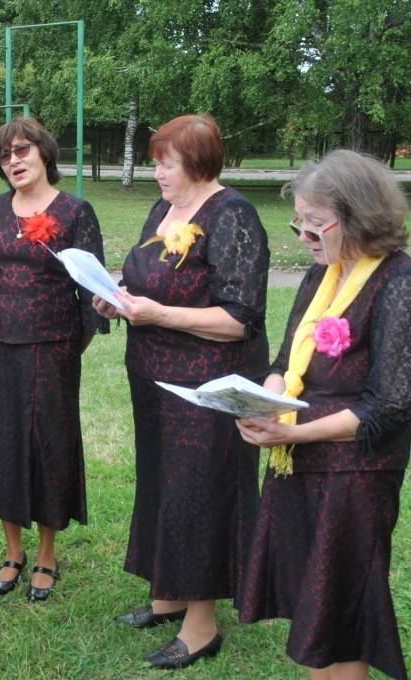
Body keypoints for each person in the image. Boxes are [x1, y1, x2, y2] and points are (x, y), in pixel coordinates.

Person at [92, 114, 269, 669]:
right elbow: (148, 279)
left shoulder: (233, 215)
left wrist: (158, 313)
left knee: (200, 493)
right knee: (163, 484)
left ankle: (202, 625)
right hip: (153, 377)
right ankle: (167, 596)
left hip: (207, 384)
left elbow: (241, 317)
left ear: (195, 162)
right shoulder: (164, 209)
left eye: (165, 161)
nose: (157, 171)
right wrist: (117, 297)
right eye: (155, 160)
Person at [236, 150, 411, 680]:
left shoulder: (398, 281)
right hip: (300, 464)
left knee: (341, 610)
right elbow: (284, 359)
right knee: (317, 608)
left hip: (355, 476)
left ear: (357, 219)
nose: (304, 237)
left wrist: (297, 430)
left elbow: (391, 404)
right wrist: (266, 399)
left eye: (316, 225)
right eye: (300, 223)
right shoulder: (321, 276)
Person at [0, 117, 108, 602]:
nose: (14, 161)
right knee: (1, 441)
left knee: (47, 445)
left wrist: (66, 348)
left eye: (22, 151)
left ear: (45, 153)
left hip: (53, 353)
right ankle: (12, 551)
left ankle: (46, 554)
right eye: (5, 156)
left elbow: (92, 294)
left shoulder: (75, 212)